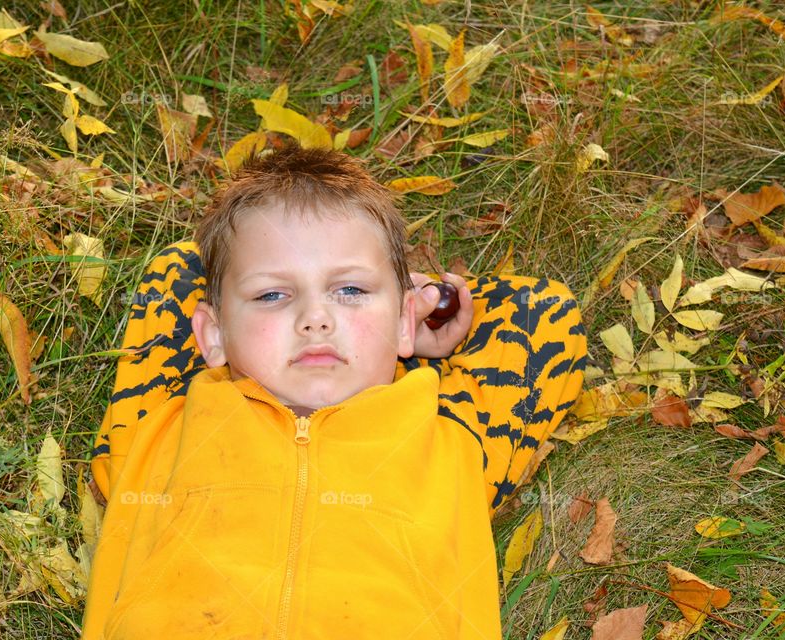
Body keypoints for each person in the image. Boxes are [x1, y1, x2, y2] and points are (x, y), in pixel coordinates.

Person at [81, 142, 587, 639]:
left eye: (351, 291)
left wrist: (415, 308)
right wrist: (382, 303)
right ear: (212, 335)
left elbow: (543, 309)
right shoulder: (161, 424)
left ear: (405, 318)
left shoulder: (454, 438)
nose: (316, 319)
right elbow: (177, 269)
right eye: (272, 294)